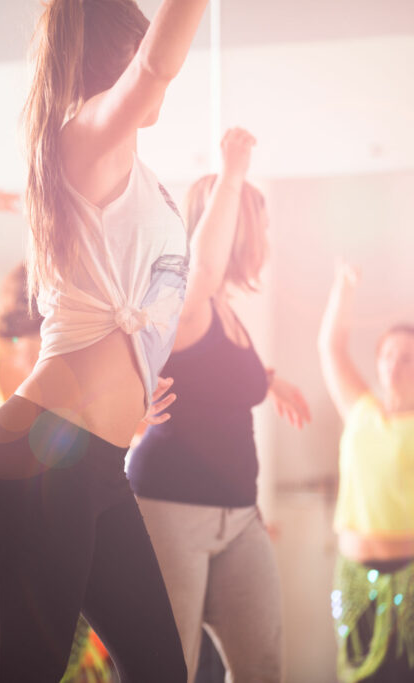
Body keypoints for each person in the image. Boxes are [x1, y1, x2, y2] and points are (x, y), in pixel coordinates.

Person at [0, 0, 209, 679]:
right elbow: (159, 65)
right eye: (136, 51)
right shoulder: (86, 136)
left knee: (162, 670)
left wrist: (140, 376)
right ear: (119, 54)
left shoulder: (132, 173)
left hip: (92, 462)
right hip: (46, 455)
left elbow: (122, 300)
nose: (157, 76)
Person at [127, 128, 312, 683]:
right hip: (168, 511)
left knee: (262, 666)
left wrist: (270, 381)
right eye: (258, 225)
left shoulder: (224, 310)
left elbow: (217, 383)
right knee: (168, 670)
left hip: (238, 516)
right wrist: (232, 176)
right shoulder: (183, 299)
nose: (265, 239)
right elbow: (201, 272)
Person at [319, 263, 414, 682]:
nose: (394, 366)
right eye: (387, 355)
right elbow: (331, 348)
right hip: (353, 577)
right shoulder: (360, 411)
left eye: (407, 358)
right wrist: (344, 287)